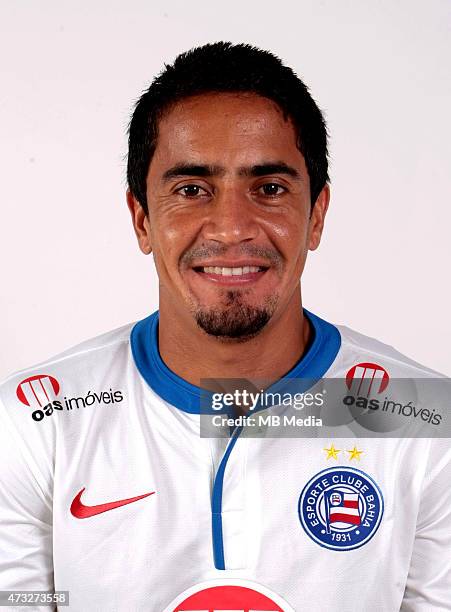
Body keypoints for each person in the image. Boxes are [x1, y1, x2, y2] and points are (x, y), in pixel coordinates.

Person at [0, 41, 449, 612]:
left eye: (269, 188)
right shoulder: (33, 423)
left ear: (316, 215)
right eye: (191, 190)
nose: (232, 227)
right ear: (142, 219)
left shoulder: (427, 422)